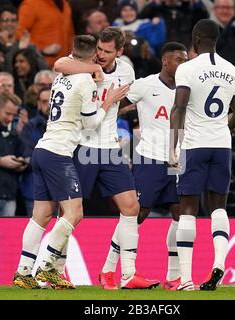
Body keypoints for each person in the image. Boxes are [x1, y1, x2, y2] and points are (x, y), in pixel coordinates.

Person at [12, 35, 129, 289]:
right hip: (58, 153)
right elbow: (90, 123)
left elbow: (63, 64)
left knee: (41, 215)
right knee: (75, 213)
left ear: (72, 52)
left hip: (42, 149)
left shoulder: (60, 77)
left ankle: (23, 271)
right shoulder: (86, 81)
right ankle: (46, 266)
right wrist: (108, 102)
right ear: (92, 55)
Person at [53, 27, 159, 290]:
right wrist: (90, 71)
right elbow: (58, 63)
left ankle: (128, 274)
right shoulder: (81, 63)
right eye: (99, 48)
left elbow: (122, 103)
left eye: (106, 51)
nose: (100, 55)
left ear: (119, 52)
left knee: (131, 207)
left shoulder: (126, 71)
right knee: (69, 212)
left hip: (110, 148)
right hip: (82, 146)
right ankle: (55, 271)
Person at [100, 42, 188, 291]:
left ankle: (174, 276)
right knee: (136, 215)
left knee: (181, 214)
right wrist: (104, 124)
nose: (183, 64)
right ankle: (108, 270)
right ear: (165, 61)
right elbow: (116, 104)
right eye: (179, 60)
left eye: (185, 60)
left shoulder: (188, 88)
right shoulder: (145, 84)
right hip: (150, 158)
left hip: (178, 160)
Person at [169, 19, 235, 291]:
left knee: (188, 208)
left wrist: (172, 146)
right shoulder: (232, 70)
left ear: (196, 38)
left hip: (194, 144)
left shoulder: (187, 69)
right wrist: (221, 128)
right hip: (222, 145)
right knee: (219, 207)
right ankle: (220, 262)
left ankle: (186, 279)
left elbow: (178, 108)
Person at [19, 86, 51, 216]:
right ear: (38, 104)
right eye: (44, 102)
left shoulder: (70, 126)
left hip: (62, 192)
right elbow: (28, 158)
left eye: (52, 100)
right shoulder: (30, 127)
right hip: (35, 191)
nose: (49, 105)